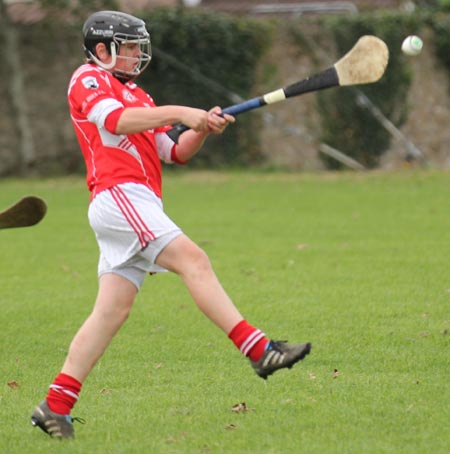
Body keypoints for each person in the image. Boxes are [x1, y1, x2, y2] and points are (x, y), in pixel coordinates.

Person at [30, 10, 311, 439]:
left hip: (137, 200)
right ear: (101, 50)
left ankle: (55, 406)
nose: (134, 55)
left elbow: (173, 151)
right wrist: (183, 110)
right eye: (125, 48)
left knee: (111, 311)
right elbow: (113, 122)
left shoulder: (139, 96)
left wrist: (202, 127)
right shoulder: (88, 79)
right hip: (118, 194)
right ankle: (259, 350)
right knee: (193, 260)